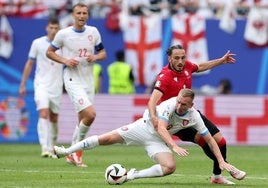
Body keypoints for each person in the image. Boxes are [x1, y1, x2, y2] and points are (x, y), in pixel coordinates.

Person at [54, 88, 245, 184]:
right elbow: (161, 127)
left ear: (191, 105)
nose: (179, 106)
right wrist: (174, 146)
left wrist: (220, 161)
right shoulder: (169, 104)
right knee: (107, 139)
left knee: (170, 167)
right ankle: (66, 151)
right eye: (179, 101)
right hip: (144, 128)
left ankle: (131, 176)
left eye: (184, 104)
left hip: (157, 141)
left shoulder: (194, 116)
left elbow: (210, 139)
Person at [147, 44, 244, 184]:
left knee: (221, 141)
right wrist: (154, 118)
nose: (180, 61)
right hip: (175, 120)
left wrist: (221, 61)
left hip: (190, 114)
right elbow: (152, 100)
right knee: (203, 140)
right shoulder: (165, 76)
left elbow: (200, 67)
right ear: (169, 59)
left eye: (183, 57)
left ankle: (217, 177)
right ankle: (228, 168)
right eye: (176, 58)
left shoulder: (187, 66)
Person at [46, 3, 107, 167]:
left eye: (84, 13)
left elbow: (103, 52)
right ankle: (76, 152)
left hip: (88, 80)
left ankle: (71, 154)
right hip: (72, 79)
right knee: (90, 114)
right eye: (78, 13)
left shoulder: (93, 32)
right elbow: (49, 52)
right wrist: (65, 60)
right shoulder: (63, 34)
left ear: (88, 15)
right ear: (73, 15)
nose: (81, 16)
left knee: (82, 118)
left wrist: (96, 57)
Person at [19, 17, 62, 158]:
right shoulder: (37, 43)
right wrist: (23, 84)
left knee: (54, 118)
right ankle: (44, 147)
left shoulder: (63, 45)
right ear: (47, 28)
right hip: (41, 84)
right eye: (51, 27)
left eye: (56, 28)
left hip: (56, 86)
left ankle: (53, 146)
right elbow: (29, 63)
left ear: (59, 29)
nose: (54, 30)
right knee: (43, 114)